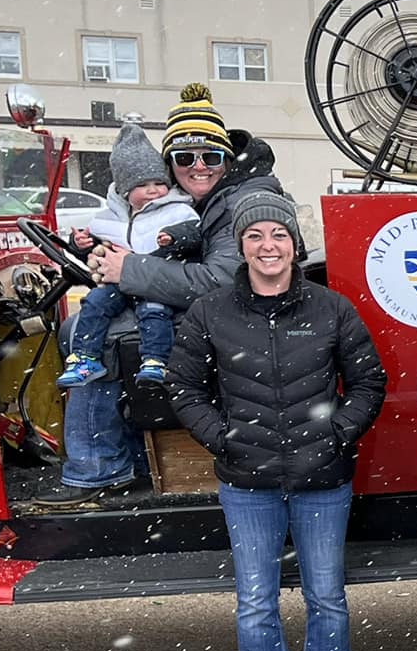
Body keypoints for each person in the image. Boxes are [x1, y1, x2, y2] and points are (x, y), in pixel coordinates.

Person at [164, 191, 386, 651]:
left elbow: (368, 383)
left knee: (327, 596)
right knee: (256, 600)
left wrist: (337, 435)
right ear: (241, 247)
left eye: (279, 235)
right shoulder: (211, 311)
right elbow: (182, 386)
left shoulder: (330, 308)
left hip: (322, 479)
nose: (269, 246)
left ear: (294, 243)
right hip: (247, 481)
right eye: (256, 236)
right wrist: (223, 438)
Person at [43, 83, 286, 507]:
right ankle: (135, 456)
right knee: (76, 327)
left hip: (244, 321)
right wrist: (107, 260)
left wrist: (129, 269)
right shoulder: (200, 200)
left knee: (98, 335)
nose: (198, 167)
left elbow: (223, 279)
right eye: (183, 158)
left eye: (210, 157)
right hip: (224, 315)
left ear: (227, 160)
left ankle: (98, 468)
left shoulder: (243, 199)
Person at [58, 119, 200, 387]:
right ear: (124, 191)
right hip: (118, 282)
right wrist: (79, 243)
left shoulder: (176, 209)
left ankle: (156, 360)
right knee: (94, 304)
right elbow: (93, 244)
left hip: (154, 278)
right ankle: (85, 358)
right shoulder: (110, 217)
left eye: (159, 183)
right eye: (143, 185)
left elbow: (195, 234)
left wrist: (175, 238)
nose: (154, 190)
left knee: (154, 310)